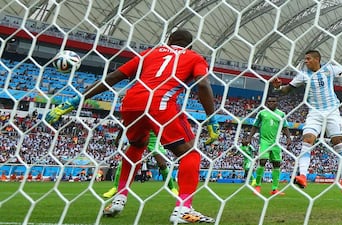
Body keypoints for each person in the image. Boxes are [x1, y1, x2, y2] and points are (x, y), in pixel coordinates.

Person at [45, 29, 219, 223]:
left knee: (136, 146)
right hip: (161, 104)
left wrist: (72, 102)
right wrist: (212, 119)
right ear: (190, 46)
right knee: (190, 154)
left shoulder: (150, 53)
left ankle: (119, 199)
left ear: (168, 41)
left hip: (131, 103)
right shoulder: (194, 57)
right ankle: (184, 209)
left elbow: (111, 78)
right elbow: (203, 85)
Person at [272, 50, 342, 193]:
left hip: (332, 111)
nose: (305, 61)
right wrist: (277, 87)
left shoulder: (329, 69)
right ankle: (302, 176)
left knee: (338, 144)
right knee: (307, 141)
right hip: (315, 112)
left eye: (308, 59)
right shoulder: (303, 75)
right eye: (305, 59)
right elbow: (286, 90)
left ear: (317, 59)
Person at [102, 131, 179, 198]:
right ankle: (115, 187)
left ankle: (172, 188)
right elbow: (125, 123)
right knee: (125, 161)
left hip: (153, 137)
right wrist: (118, 138)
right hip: (140, 135)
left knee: (162, 164)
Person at [247, 94, 291, 196]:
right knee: (262, 161)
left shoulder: (281, 114)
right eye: (269, 101)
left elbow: (285, 127)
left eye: (273, 101)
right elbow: (255, 126)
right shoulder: (262, 113)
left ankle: (274, 189)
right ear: (267, 103)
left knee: (276, 164)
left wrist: (288, 137)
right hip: (264, 141)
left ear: (277, 103)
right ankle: (257, 186)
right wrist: (249, 137)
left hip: (276, 142)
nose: (271, 103)